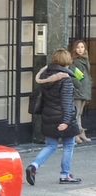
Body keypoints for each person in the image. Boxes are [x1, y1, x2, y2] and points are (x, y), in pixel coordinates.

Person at [25, 49, 81, 186]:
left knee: (51, 145)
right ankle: (65, 174)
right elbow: (67, 102)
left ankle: (33, 166)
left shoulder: (45, 76)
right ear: (67, 62)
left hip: (48, 116)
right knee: (69, 145)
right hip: (62, 117)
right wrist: (66, 121)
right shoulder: (65, 79)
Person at [70, 40, 92, 143]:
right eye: (78, 47)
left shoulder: (85, 60)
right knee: (76, 113)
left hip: (84, 89)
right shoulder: (74, 61)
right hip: (79, 90)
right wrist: (78, 85)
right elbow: (74, 75)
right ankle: (76, 134)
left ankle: (81, 133)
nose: (80, 49)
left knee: (80, 113)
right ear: (74, 48)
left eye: (82, 47)